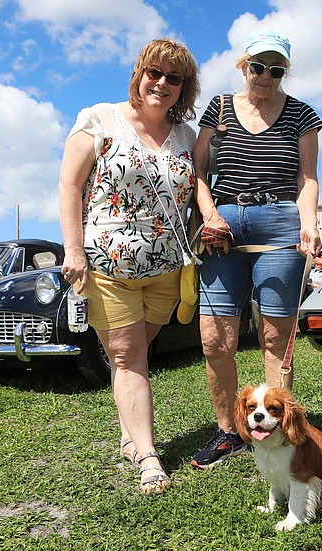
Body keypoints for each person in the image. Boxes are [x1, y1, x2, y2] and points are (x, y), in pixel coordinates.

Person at [58, 38, 199, 494]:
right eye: (154, 73)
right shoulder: (100, 119)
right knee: (127, 356)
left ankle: (129, 433)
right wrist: (73, 250)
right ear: (139, 73)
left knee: (139, 350)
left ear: (184, 87)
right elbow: (69, 187)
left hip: (166, 269)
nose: (162, 84)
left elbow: (199, 193)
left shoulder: (187, 136)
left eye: (173, 78)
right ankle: (148, 455)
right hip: (106, 266)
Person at [190, 29, 322, 469]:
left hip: (280, 223)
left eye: (276, 69)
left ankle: (278, 435)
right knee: (215, 340)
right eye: (258, 66)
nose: (266, 76)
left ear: (284, 72)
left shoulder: (301, 115)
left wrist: (309, 223)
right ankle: (230, 431)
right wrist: (209, 215)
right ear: (244, 65)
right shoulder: (220, 108)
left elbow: (307, 179)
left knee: (274, 336)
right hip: (222, 224)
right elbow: (199, 172)